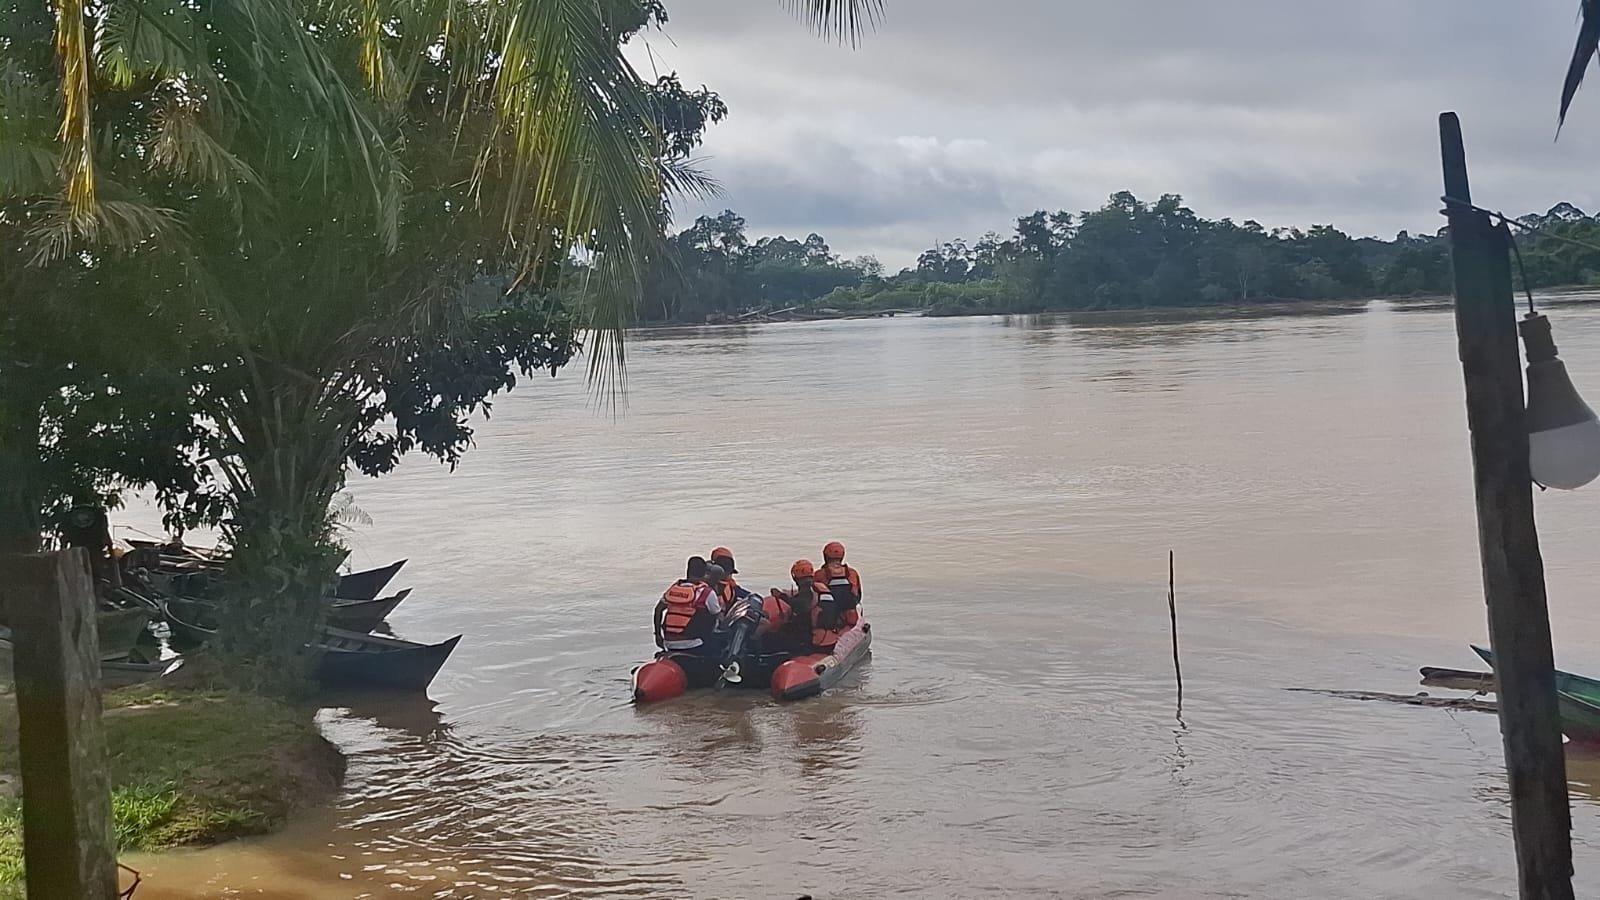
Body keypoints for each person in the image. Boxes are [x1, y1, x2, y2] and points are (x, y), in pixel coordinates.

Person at [654, 556, 722, 654]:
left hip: (669, 643)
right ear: (704, 573)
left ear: (687, 571)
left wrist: (658, 635)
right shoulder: (706, 592)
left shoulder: (673, 589)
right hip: (694, 644)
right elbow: (718, 616)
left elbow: (658, 610)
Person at [761, 559, 828, 655]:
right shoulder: (815, 590)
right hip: (808, 634)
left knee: (766, 638)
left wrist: (781, 596)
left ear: (795, 577)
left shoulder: (806, 592)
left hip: (802, 637)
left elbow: (802, 606)